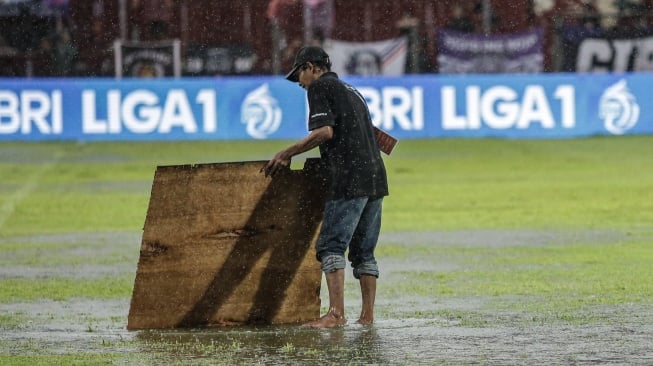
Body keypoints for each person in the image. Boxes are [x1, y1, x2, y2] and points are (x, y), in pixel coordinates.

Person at [262, 46, 389, 328]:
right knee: (364, 253)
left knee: (331, 246)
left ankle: (336, 315)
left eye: (299, 76)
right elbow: (372, 135)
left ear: (310, 67)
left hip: (348, 178)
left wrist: (287, 152)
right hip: (376, 177)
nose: (299, 83)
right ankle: (367, 317)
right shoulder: (351, 90)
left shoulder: (318, 88)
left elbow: (324, 132)